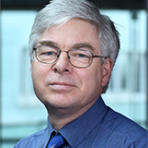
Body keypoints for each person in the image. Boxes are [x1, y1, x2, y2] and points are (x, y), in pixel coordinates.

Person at [14, 0, 148, 147]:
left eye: (80, 55)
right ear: (32, 64)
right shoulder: (24, 146)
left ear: (105, 71)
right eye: (49, 52)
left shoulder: (136, 144)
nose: (60, 65)